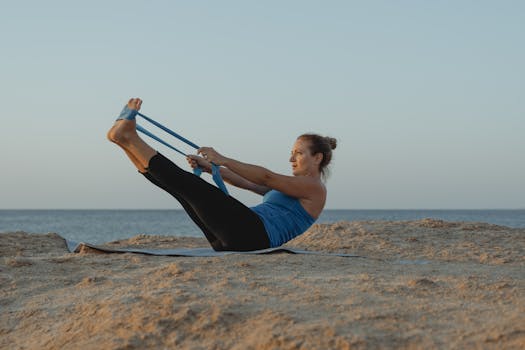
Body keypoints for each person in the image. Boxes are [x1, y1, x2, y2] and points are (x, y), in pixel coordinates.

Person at [107, 98, 337, 251]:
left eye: (298, 154)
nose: (291, 159)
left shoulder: (315, 189)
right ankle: (125, 142)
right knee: (179, 190)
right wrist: (209, 167)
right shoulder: (293, 188)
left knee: (186, 185)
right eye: (292, 153)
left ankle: (129, 137)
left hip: (253, 235)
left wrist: (222, 158)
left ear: (317, 158)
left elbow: (266, 177)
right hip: (232, 239)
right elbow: (246, 182)